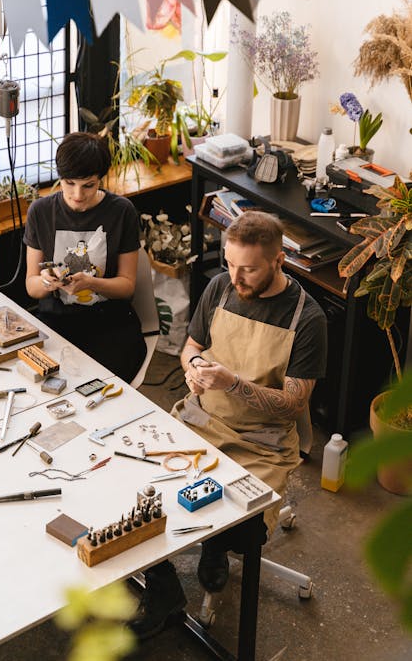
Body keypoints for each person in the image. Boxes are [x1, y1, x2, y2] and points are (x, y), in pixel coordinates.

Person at [130, 210, 327, 638]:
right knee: (137, 487)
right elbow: (190, 348)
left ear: (279, 261)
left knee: (238, 523)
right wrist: (195, 367)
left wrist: (234, 383)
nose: (236, 277)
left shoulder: (306, 319)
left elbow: (293, 405)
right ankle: (164, 590)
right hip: (204, 418)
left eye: (249, 269)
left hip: (263, 442)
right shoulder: (220, 288)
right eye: (230, 263)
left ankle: (217, 548)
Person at [23, 131, 146, 383]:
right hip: (56, 319)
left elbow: (127, 287)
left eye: (88, 185)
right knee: (44, 382)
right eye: (69, 183)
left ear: (101, 178)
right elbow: (31, 286)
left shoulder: (121, 212)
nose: (77, 194)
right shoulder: (41, 212)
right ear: (60, 178)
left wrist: (91, 283)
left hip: (110, 319)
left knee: (101, 386)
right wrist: (48, 282)